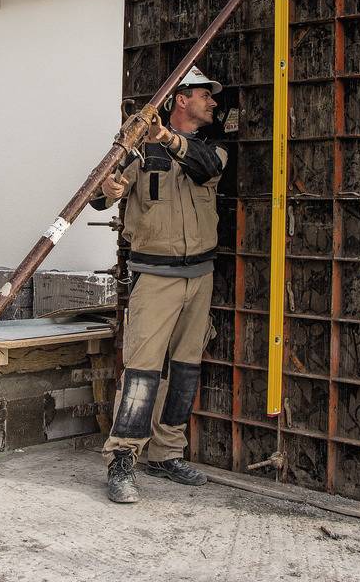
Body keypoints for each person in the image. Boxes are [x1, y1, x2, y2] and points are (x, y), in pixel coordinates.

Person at [90, 66, 228, 504]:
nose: (213, 103)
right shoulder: (138, 151)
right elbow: (98, 194)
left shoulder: (214, 149)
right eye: (205, 95)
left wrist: (165, 138)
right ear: (181, 99)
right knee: (142, 371)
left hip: (200, 276)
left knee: (185, 368)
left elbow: (205, 167)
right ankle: (123, 460)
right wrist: (109, 188)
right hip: (156, 276)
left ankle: (167, 453)